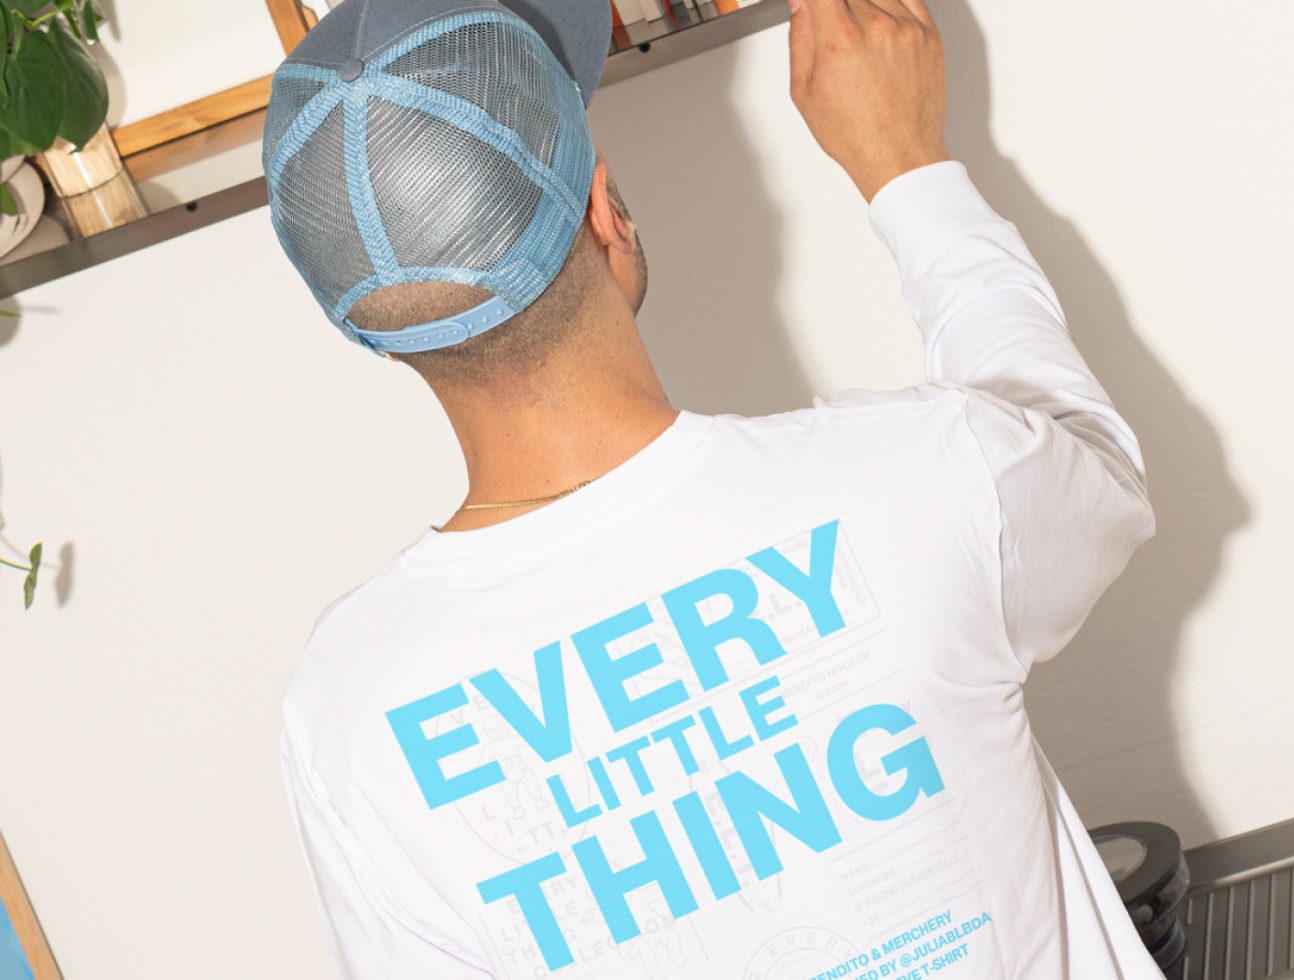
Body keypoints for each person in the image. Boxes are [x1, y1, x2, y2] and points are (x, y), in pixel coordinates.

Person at [264, 0, 1160, 976]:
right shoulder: (912, 480)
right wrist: (906, 168)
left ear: (368, 329)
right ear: (607, 212)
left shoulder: (348, 710)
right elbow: (1092, 468)